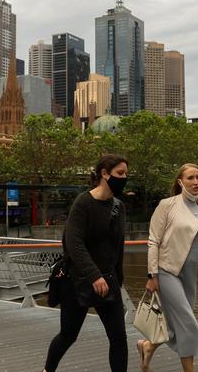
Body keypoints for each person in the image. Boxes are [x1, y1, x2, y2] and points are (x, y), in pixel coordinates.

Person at [138, 163, 198, 372]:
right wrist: (152, 274)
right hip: (166, 271)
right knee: (187, 323)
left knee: (174, 325)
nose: (196, 182)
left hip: (190, 274)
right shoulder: (168, 205)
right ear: (180, 181)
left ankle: (147, 346)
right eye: (191, 178)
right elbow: (153, 241)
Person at [42, 154, 129, 372]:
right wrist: (94, 275)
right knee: (68, 335)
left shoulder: (119, 207)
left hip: (108, 281)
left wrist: (118, 278)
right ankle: (47, 370)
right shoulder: (83, 203)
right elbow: (74, 243)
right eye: (120, 173)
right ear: (104, 174)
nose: (124, 178)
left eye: (126, 173)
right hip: (78, 281)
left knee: (119, 337)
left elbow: (118, 246)